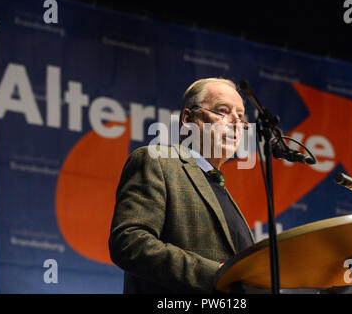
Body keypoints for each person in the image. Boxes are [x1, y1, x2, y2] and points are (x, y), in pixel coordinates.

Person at [108, 78, 255, 294]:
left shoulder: (218, 186)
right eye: (223, 111)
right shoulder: (157, 161)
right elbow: (129, 242)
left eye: (240, 116)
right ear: (188, 118)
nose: (236, 122)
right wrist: (215, 276)